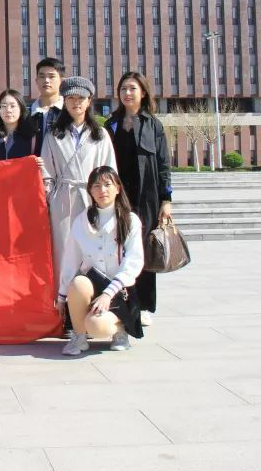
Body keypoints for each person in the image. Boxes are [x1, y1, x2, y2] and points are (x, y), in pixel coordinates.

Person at [106, 71, 173, 327]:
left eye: (132, 88)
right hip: (118, 197)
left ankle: (144, 305)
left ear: (143, 93)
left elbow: (164, 164)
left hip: (146, 197)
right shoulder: (111, 124)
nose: (127, 93)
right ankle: (121, 302)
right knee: (118, 249)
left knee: (142, 250)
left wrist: (166, 200)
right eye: (123, 88)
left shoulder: (153, 125)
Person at [56, 166, 144, 355]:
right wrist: (62, 296)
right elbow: (71, 259)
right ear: (90, 191)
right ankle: (79, 337)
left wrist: (108, 294)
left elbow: (134, 262)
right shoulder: (82, 221)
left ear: (118, 188)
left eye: (107, 184)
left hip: (120, 290)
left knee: (96, 326)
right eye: (96, 186)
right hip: (93, 284)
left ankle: (120, 330)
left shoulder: (130, 220)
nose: (102, 190)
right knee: (78, 283)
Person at [41, 76, 117, 287]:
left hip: (93, 198)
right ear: (64, 101)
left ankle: (92, 296)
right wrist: (52, 196)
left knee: (94, 250)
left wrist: (105, 199)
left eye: (81, 98)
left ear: (89, 101)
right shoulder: (53, 134)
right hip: (63, 199)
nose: (76, 102)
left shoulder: (100, 134)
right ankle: (63, 299)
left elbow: (109, 170)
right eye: (71, 98)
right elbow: (46, 172)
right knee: (63, 251)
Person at [0, 88, 38, 162]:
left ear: (21, 109)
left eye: (12, 106)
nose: (8, 110)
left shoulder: (32, 138)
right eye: (3, 106)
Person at [30, 57, 64, 154]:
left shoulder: (69, 112)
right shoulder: (26, 114)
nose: (46, 80)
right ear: (36, 81)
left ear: (61, 81)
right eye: (42, 76)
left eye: (51, 76)